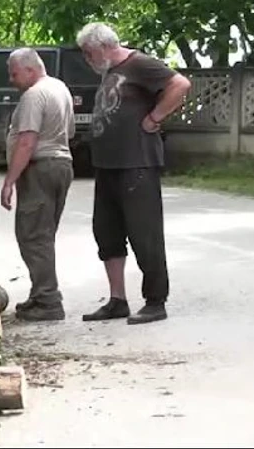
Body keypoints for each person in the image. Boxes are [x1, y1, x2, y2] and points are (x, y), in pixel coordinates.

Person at [75, 22, 190, 325]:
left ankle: (155, 300)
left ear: (103, 46)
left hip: (136, 163)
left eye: (88, 52)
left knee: (144, 234)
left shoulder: (139, 64)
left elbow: (180, 84)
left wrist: (155, 117)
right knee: (106, 233)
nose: (87, 59)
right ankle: (117, 300)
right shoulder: (110, 71)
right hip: (107, 164)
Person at [1, 47, 76, 321]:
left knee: (33, 236)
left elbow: (27, 142)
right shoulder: (60, 88)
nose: (11, 80)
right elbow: (69, 131)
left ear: (30, 69)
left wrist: (10, 181)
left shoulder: (34, 95)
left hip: (40, 168)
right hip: (61, 165)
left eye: (14, 74)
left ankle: (48, 301)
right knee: (43, 233)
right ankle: (39, 293)